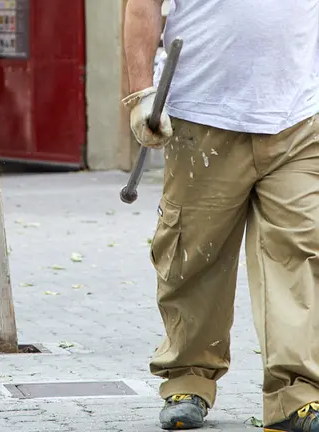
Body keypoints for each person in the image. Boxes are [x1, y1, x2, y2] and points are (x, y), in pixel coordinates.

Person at [123, 0, 319, 430]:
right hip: (202, 116)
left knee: (301, 253)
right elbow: (141, 5)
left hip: (299, 119)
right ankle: (188, 380)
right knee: (193, 256)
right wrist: (140, 95)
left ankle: (296, 395)